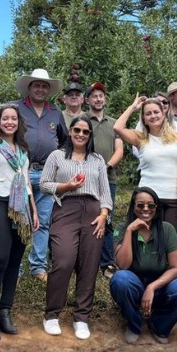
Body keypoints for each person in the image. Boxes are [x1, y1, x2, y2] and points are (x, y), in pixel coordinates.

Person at [114, 95, 177, 330]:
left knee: (174, 248)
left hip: (173, 200)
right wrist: (133, 105)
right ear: (144, 118)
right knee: (142, 244)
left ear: (164, 113)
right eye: (148, 113)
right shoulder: (141, 139)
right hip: (147, 202)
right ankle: (136, 293)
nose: (152, 116)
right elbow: (118, 127)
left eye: (156, 112)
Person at [40, 116, 112, 340]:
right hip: (66, 209)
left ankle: (81, 317)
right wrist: (66, 186)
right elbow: (44, 184)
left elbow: (105, 192)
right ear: (70, 132)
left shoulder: (97, 159)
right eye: (77, 130)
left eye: (86, 131)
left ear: (90, 135)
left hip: (93, 212)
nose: (81, 134)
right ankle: (51, 314)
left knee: (89, 265)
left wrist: (103, 215)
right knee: (63, 260)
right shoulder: (57, 156)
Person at [0, 105, 40, 340]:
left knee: (16, 259)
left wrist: (33, 210)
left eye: (13, 118)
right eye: (5, 118)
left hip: (22, 206)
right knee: (0, 259)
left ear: (18, 122)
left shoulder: (23, 148)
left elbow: (26, 180)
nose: (9, 122)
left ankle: (6, 311)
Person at [110, 187, 177, 344]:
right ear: (133, 207)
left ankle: (160, 324)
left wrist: (152, 287)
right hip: (134, 286)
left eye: (151, 205)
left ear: (156, 208)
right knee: (120, 279)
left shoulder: (167, 229)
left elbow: (176, 268)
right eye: (140, 205)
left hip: (160, 288)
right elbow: (123, 265)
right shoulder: (123, 228)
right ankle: (134, 323)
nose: (146, 209)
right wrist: (130, 230)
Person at [15, 68, 67, 281]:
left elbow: (64, 140)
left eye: (44, 86)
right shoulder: (16, 108)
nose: (40, 89)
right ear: (29, 87)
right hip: (20, 171)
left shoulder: (55, 112)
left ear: (49, 90)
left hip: (47, 172)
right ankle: (15, 267)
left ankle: (38, 266)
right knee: (19, 220)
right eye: (36, 85)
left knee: (43, 220)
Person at [85, 82, 124, 278]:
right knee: (87, 218)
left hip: (109, 178)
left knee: (107, 218)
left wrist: (105, 167)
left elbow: (119, 150)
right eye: (94, 96)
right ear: (87, 100)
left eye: (101, 96)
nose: (98, 99)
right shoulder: (83, 121)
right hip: (85, 178)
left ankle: (107, 263)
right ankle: (86, 261)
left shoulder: (114, 123)